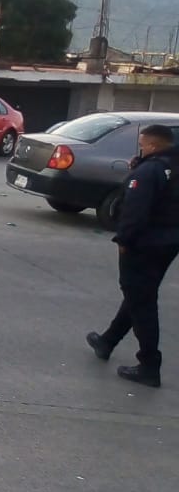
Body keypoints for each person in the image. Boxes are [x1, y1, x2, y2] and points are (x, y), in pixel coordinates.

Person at [87, 123, 179, 386]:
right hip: (169, 241)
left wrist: (124, 239)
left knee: (141, 300)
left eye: (142, 144)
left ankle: (149, 364)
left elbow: (135, 210)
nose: (140, 148)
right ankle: (108, 341)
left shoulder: (150, 171)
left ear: (153, 145)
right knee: (140, 293)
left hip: (144, 243)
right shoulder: (170, 165)